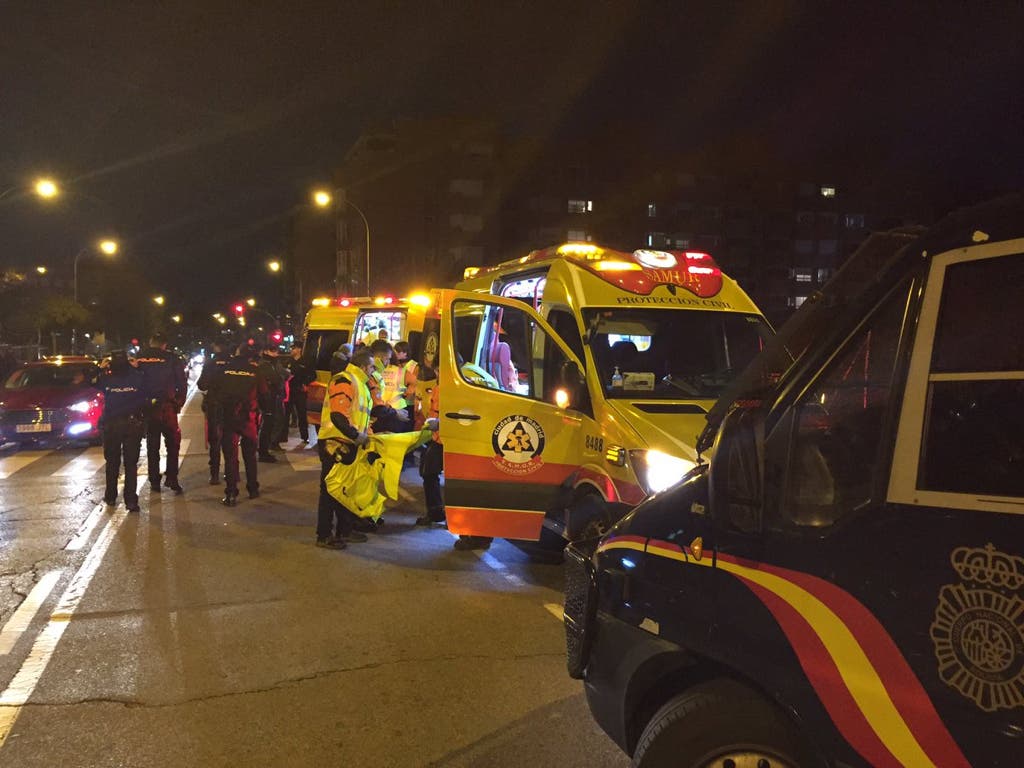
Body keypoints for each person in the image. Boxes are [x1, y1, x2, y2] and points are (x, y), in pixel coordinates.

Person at [315, 346, 374, 549]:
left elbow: (358, 416)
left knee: (344, 490)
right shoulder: (345, 380)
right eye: (372, 367)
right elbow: (338, 416)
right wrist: (357, 436)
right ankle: (324, 535)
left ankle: (344, 531)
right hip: (336, 443)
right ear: (364, 366)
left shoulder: (359, 384)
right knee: (331, 491)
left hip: (346, 443)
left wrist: (367, 435)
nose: (373, 371)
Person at [135, 332, 186, 494]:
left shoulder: (139, 358)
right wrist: (178, 402)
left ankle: (154, 481)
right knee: (173, 444)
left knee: (152, 445)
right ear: (164, 344)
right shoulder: (172, 358)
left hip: (148, 408)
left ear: (151, 342)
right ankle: (172, 478)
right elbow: (182, 383)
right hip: (167, 407)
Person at [99, 350, 150, 512]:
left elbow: (90, 384)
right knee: (130, 464)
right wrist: (136, 368)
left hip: (112, 425)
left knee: (112, 462)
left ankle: (111, 496)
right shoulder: (137, 377)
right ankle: (131, 501)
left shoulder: (105, 378)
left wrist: (101, 369)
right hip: (132, 423)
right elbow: (148, 394)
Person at [218, 343, 265, 506]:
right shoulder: (255, 371)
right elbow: (264, 393)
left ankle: (231, 493)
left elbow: (211, 388)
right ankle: (252, 488)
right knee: (250, 456)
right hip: (248, 418)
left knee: (230, 457)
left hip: (228, 417)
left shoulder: (224, 369)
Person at [197, 341, 229, 485]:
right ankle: (231, 472)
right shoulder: (233, 362)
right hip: (230, 404)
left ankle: (214, 474)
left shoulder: (210, 363)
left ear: (216, 348)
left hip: (214, 404)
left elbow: (202, 384)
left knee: (214, 440)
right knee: (230, 439)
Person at [255, 345, 285, 462]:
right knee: (267, 425)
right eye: (273, 351)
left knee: (268, 424)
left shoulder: (271, 363)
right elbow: (275, 379)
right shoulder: (265, 364)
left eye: (276, 351)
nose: (276, 354)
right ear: (266, 351)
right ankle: (263, 451)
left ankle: (264, 449)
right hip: (267, 399)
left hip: (270, 398)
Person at [285, 343, 314, 447]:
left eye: (293, 348)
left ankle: (305, 436)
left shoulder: (306, 362)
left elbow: (313, 375)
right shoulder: (288, 361)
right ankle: (283, 436)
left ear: (299, 349)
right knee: (286, 414)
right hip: (289, 391)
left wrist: (306, 384)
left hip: (300, 391)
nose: (291, 350)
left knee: (302, 414)